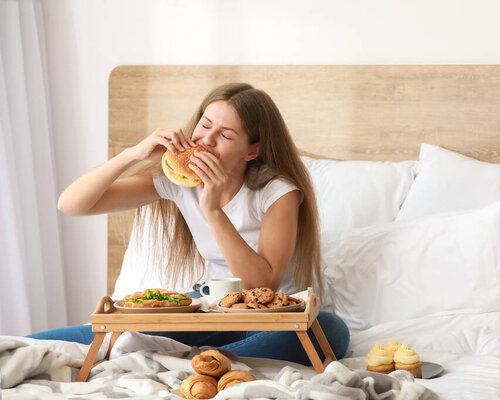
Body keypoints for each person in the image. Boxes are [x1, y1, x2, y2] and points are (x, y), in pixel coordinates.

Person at [27, 82, 349, 365]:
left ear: (252, 150)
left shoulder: (277, 190)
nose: (206, 139)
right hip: (207, 308)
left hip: (269, 318)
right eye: (204, 124)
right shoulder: (180, 181)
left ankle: (182, 358)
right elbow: (70, 204)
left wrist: (213, 210)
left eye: (224, 135)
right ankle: (186, 355)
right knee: (104, 331)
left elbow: (260, 287)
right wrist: (132, 156)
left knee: (331, 331)